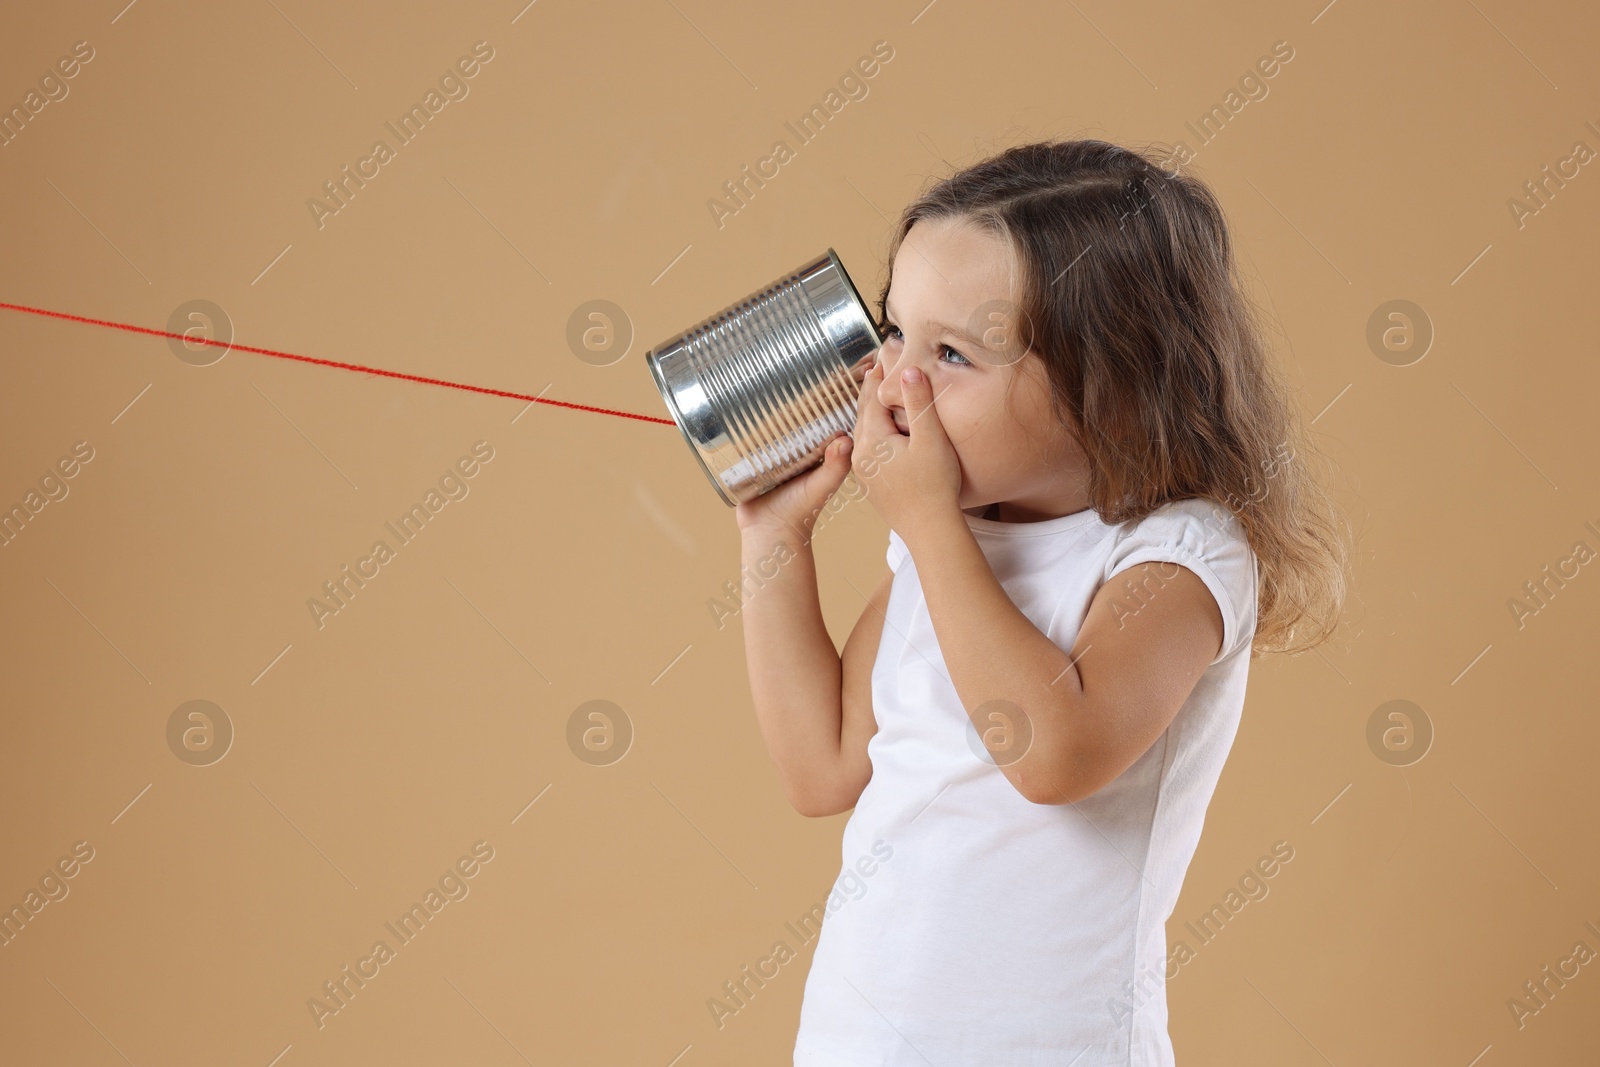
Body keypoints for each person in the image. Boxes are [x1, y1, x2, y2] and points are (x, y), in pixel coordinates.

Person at [733, 138, 1350, 1065]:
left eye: (953, 353)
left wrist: (934, 526)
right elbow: (823, 767)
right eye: (895, 331)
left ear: (1113, 391)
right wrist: (773, 541)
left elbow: (1053, 754)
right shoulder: (947, 537)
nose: (896, 381)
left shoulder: (1177, 557)